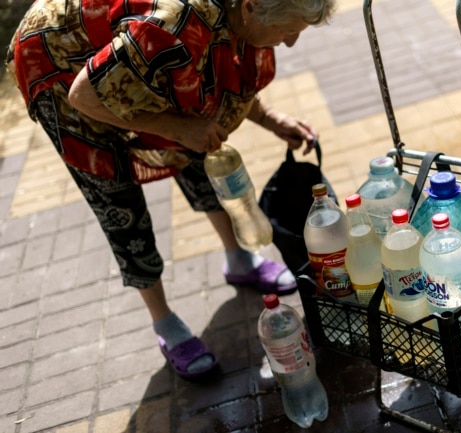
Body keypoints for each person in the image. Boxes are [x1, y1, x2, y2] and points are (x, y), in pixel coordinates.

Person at [5, 0, 337, 379]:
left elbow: (221, 70)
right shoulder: (173, 23)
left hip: (133, 57)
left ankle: (239, 260)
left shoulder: (230, 18)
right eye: (288, 31)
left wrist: (270, 119)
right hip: (65, 71)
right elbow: (85, 97)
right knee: (120, 201)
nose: (290, 43)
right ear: (249, 8)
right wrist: (176, 128)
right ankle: (165, 323)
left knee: (202, 146)